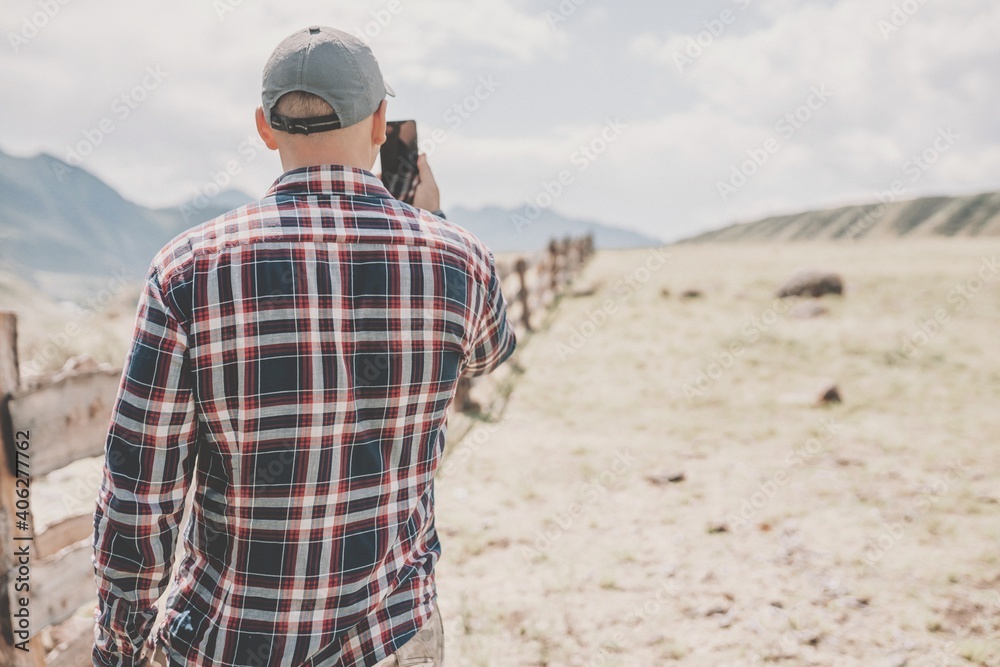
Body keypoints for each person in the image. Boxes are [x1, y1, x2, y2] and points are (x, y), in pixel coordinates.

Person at [92, 26, 516, 667]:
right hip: (393, 634)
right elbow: (485, 354)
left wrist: (120, 649)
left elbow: (138, 495)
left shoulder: (187, 268)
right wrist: (433, 222)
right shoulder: (458, 259)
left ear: (265, 127)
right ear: (380, 124)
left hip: (231, 640)